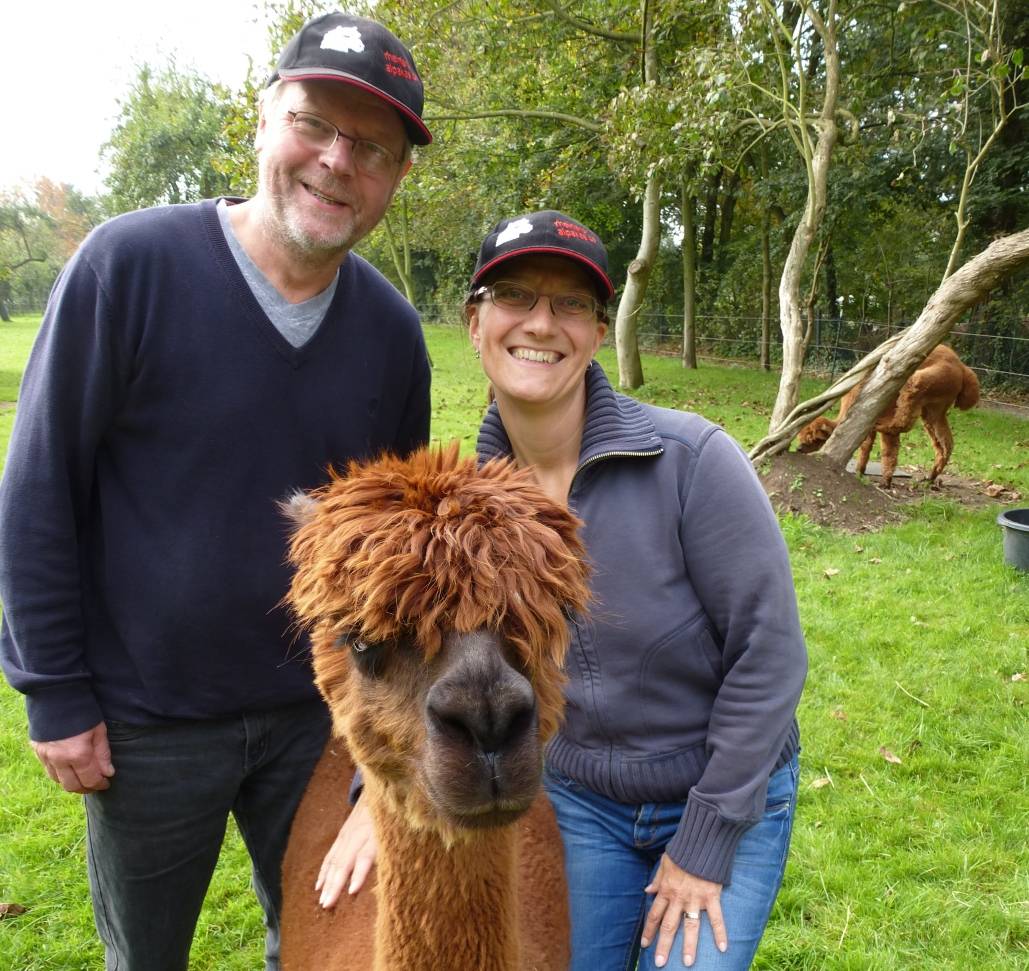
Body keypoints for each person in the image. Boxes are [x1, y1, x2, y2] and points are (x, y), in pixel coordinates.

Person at [0, 12, 431, 971]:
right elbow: (38, 491)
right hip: (145, 720)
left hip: (314, 721)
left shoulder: (392, 333)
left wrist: (380, 741)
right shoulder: (128, 266)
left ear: (396, 177)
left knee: (321, 947)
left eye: (371, 147)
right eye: (313, 123)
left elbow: (392, 556)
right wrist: (55, 691)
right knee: (145, 956)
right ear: (265, 118)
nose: (334, 161)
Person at [317, 210, 807, 971]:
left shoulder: (689, 461)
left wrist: (704, 844)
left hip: (716, 789)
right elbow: (397, 658)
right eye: (514, 295)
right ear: (474, 323)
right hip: (573, 797)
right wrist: (376, 798)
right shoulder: (458, 508)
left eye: (571, 303)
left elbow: (769, 656)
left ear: (596, 330)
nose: (541, 322)